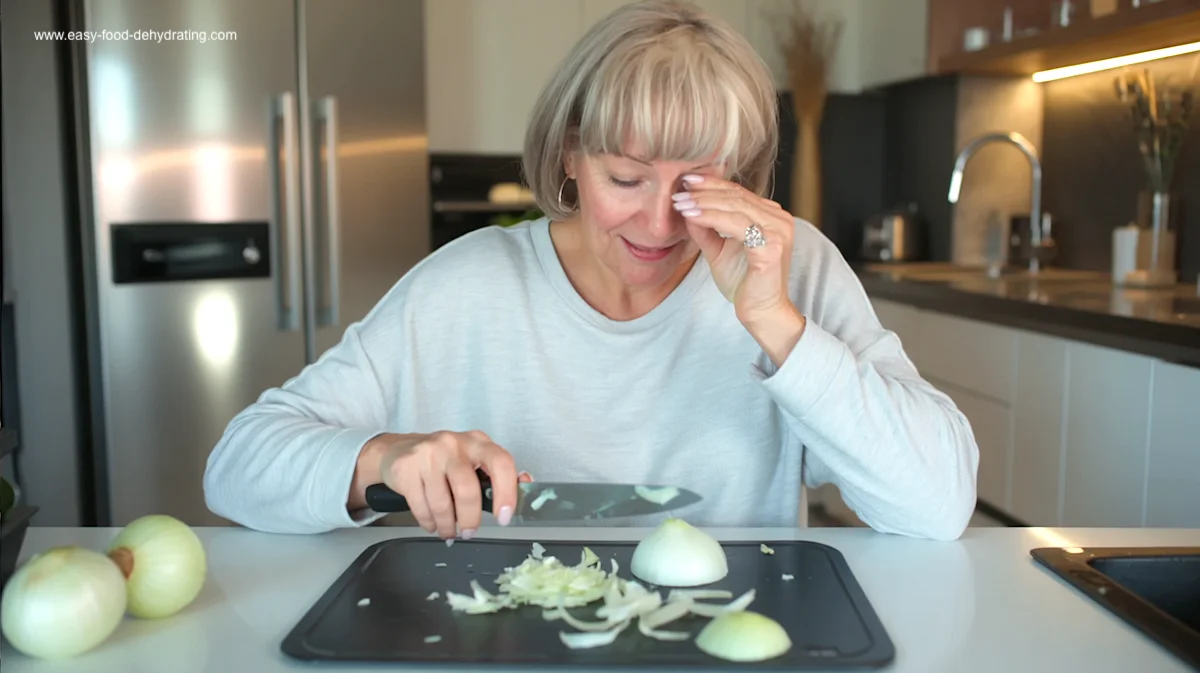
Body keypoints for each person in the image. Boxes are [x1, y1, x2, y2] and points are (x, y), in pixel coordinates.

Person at [203, 0, 979, 541]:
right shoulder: (470, 286)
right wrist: (383, 458)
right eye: (626, 177)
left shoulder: (793, 269)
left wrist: (776, 323)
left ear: (739, 172)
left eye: (695, 183)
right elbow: (238, 467)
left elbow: (938, 504)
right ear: (572, 154)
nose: (658, 221)